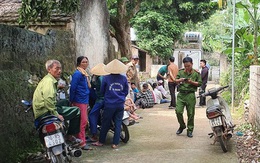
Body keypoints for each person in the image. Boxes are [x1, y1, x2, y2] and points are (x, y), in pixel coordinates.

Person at [33, 60, 81, 144]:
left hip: (42, 109)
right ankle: (70, 136)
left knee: (65, 102)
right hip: (46, 111)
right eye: (57, 68)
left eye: (60, 68)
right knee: (76, 111)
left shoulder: (48, 79)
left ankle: (65, 126)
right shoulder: (49, 82)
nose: (59, 71)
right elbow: (48, 100)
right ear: (49, 69)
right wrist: (56, 114)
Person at [92, 59, 129, 149]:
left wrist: (109, 95)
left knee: (105, 122)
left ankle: (101, 141)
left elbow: (102, 90)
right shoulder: (123, 78)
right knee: (118, 122)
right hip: (120, 104)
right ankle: (115, 143)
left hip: (109, 104)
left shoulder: (106, 78)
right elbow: (126, 91)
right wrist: (121, 96)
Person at [174, 57, 202, 138]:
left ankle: (190, 130)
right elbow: (175, 80)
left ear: (192, 64)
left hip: (190, 95)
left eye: (188, 66)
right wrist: (181, 80)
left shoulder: (196, 73)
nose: (187, 68)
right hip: (181, 95)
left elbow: (200, 83)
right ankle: (182, 125)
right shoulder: (180, 72)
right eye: (185, 66)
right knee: (178, 111)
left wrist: (191, 82)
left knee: (190, 113)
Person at [69, 56, 92, 150]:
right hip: (79, 100)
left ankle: (77, 139)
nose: (85, 64)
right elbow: (73, 88)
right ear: (79, 63)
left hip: (84, 100)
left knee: (82, 121)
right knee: (83, 122)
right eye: (83, 62)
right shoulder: (78, 74)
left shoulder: (84, 74)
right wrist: (71, 100)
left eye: (86, 62)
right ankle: (82, 143)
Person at [88, 63, 110, 142]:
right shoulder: (108, 77)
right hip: (110, 99)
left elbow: (92, 88)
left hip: (100, 99)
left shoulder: (96, 78)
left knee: (92, 115)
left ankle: (94, 135)